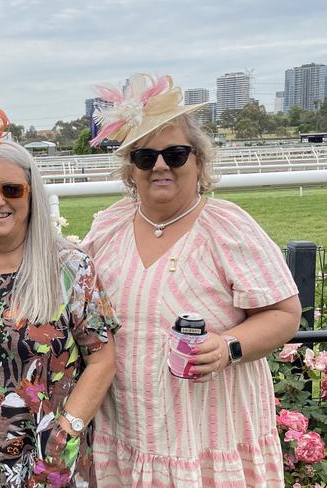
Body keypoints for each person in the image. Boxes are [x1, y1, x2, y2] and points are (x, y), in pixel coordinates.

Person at [82, 74, 302, 487]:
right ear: (131, 168)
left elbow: (285, 313)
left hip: (208, 436)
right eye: (145, 157)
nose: (160, 165)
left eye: (176, 154)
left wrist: (229, 346)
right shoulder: (108, 228)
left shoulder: (226, 227)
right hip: (129, 433)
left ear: (199, 161)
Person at [0, 99, 121, 487]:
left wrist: (65, 432)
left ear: (31, 195)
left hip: (49, 464)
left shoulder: (70, 269)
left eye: (11, 189)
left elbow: (102, 358)